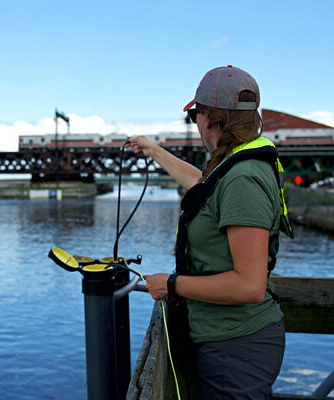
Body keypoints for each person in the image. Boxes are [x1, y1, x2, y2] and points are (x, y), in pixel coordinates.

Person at [127, 65, 292, 400]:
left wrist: (170, 284)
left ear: (210, 119)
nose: (197, 123)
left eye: (195, 115)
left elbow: (249, 286)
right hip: (229, 342)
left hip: (237, 348)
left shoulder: (244, 178)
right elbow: (202, 187)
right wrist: (154, 150)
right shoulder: (233, 164)